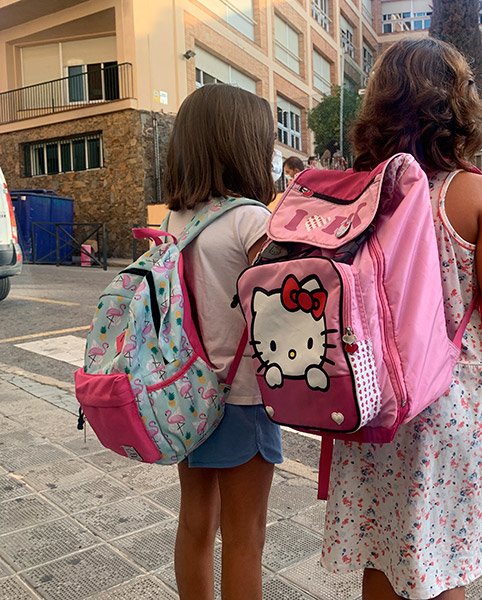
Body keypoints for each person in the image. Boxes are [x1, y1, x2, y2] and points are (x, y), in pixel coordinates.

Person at [321, 38, 482, 600]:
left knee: (382, 549)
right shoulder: (473, 195)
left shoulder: (360, 194)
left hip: (372, 398)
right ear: (457, 106)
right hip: (447, 401)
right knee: (444, 560)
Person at [162, 84, 282, 599]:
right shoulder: (251, 220)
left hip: (186, 396)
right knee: (244, 537)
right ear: (243, 146)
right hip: (244, 399)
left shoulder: (176, 219)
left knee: (195, 524)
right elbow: (282, 306)